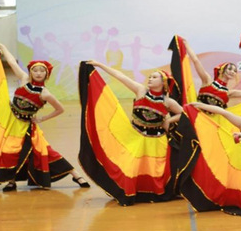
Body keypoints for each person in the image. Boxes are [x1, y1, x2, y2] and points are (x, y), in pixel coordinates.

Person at [0, 43, 90, 191]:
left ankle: (76, 175)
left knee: (46, 152)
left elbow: (60, 109)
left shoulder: (45, 93)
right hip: (11, 123)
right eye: (35, 70)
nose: (38, 73)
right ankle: (11, 181)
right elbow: (12, 63)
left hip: (27, 127)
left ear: (46, 74)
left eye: (42, 71)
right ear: (30, 72)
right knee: (9, 151)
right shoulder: (24, 79)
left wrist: (42, 118)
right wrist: (2, 47)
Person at [78, 60, 184, 205]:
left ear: (163, 82)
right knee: (130, 167)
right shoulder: (141, 90)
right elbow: (120, 76)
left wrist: (169, 120)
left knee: (153, 170)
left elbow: (183, 113)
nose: (150, 79)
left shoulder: (168, 102)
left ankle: (150, 193)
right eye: (150, 77)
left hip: (156, 141)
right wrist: (100, 65)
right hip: (135, 137)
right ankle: (128, 192)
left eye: (154, 77)